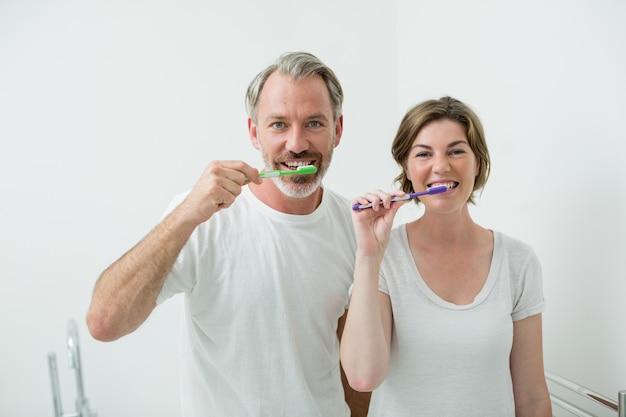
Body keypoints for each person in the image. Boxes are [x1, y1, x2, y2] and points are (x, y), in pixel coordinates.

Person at [86, 51, 370, 417]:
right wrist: (185, 215)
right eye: (279, 125)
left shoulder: (354, 227)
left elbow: (355, 370)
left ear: (338, 130)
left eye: (314, 123)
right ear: (254, 133)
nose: (297, 143)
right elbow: (104, 322)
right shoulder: (202, 217)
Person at [340, 96, 552, 416]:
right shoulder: (384, 258)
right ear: (408, 169)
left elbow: (532, 397)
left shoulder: (518, 262)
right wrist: (369, 256)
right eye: (424, 154)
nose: (441, 166)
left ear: (477, 162)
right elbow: (363, 377)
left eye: (456, 151)